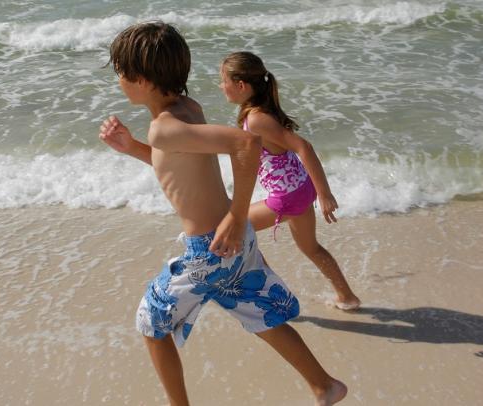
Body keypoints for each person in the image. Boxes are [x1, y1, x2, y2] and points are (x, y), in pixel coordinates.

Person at [99, 21, 347, 406]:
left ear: (142, 79)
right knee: (263, 316)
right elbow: (178, 168)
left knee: (152, 323)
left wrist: (235, 214)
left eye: (120, 73)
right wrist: (131, 147)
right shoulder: (186, 109)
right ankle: (324, 385)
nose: (118, 81)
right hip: (235, 243)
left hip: (210, 250)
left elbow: (247, 144)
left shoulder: (164, 128)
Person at [219, 51, 361, 311]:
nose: (220, 86)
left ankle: (274, 299)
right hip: (300, 189)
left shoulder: (257, 118)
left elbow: (303, 147)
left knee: (231, 232)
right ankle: (347, 297)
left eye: (223, 80)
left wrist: (325, 193)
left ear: (241, 85)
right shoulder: (257, 112)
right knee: (311, 248)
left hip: (288, 197)